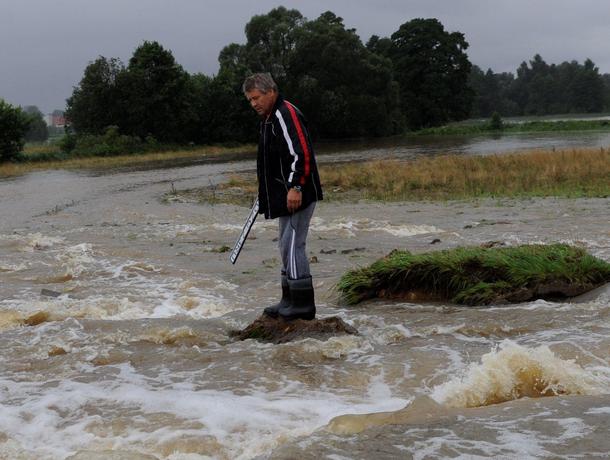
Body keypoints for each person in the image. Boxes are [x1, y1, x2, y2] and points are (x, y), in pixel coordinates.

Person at [242, 73, 323, 321]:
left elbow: (301, 153)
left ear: (270, 92)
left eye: (256, 98)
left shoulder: (284, 113)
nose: (253, 103)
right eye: (249, 100)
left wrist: (296, 186)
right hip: (283, 196)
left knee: (293, 244)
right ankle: (288, 299)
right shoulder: (268, 119)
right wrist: (264, 195)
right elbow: (270, 162)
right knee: (284, 244)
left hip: (297, 193)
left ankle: (303, 304)